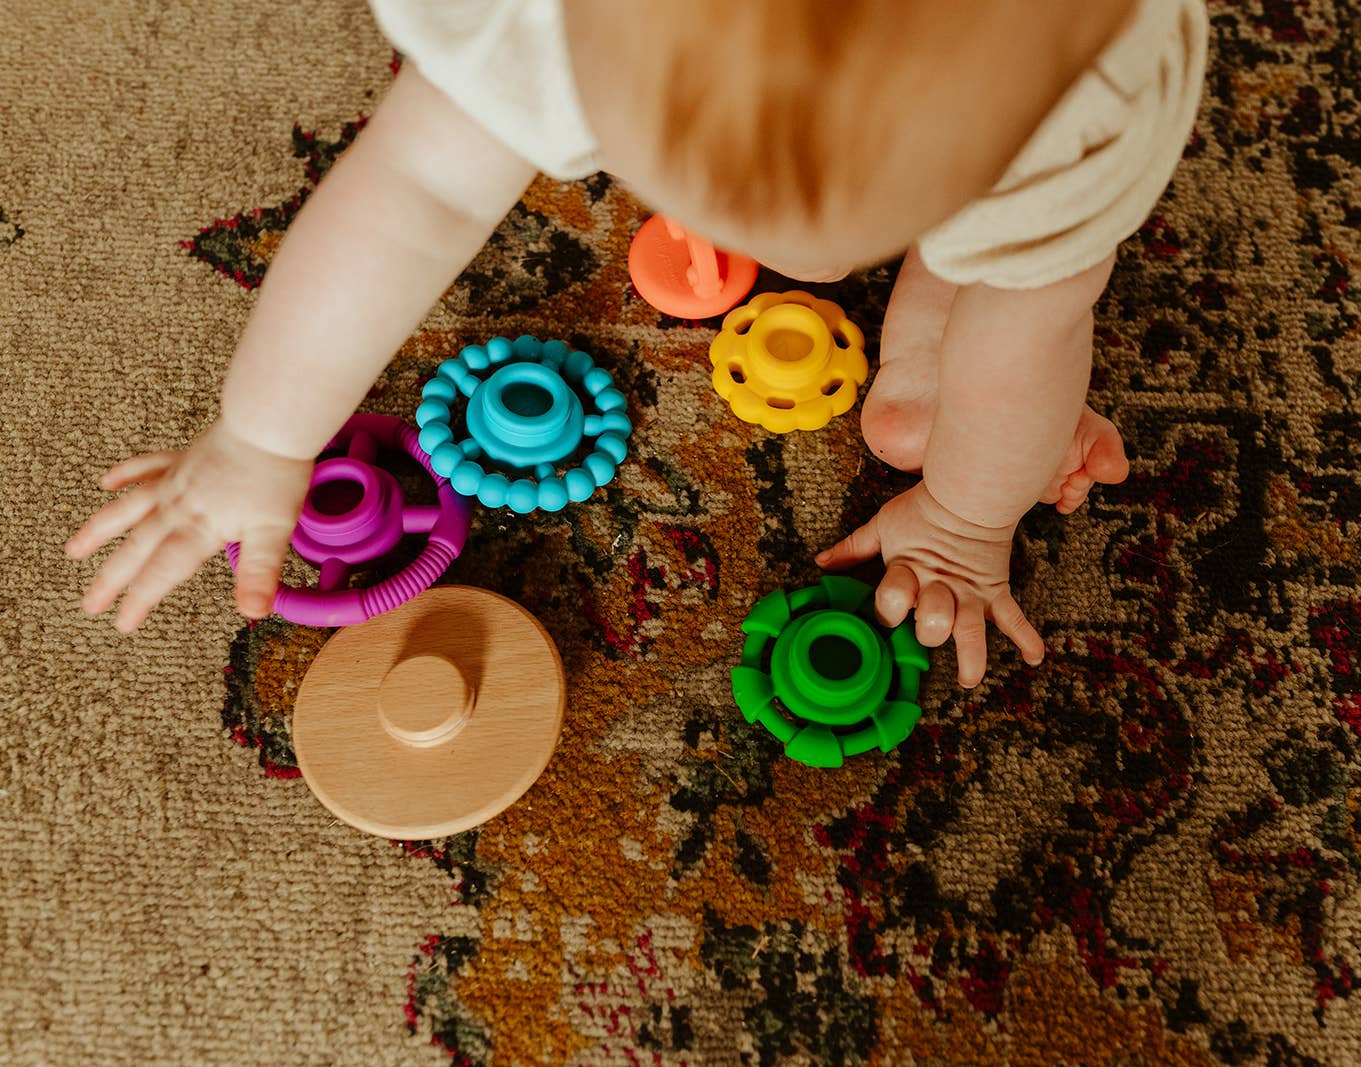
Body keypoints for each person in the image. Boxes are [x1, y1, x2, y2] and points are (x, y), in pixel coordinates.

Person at [67, 0, 1207, 687]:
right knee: (973, 326)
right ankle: (950, 247)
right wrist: (265, 435)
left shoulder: (1088, 96)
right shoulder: (533, 19)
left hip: (1029, 115)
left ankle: (955, 244)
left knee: (1024, 283)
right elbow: (410, 188)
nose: (804, 280)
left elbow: (1033, 330)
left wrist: (967, 519)